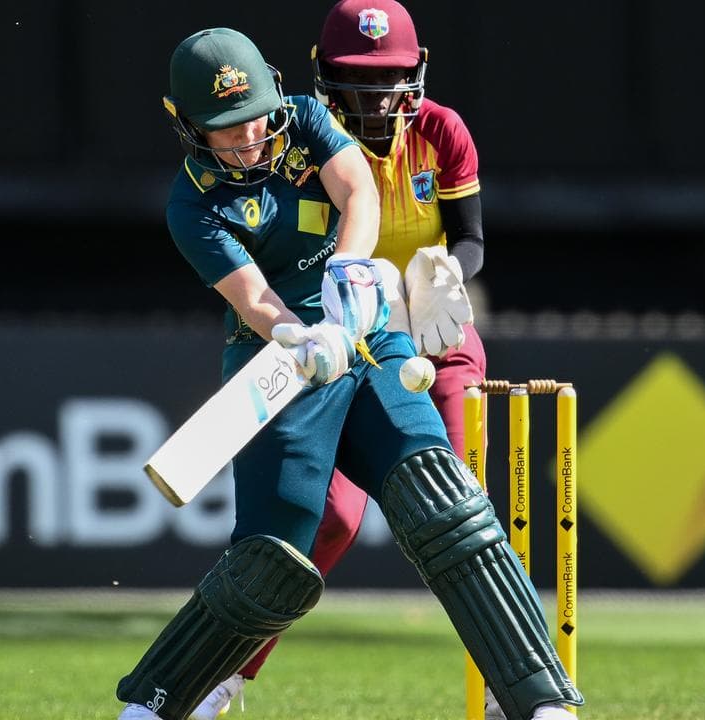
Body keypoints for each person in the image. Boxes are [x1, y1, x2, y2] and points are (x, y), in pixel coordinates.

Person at [115, 26, 582, 720]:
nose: (249, 139)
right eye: (227, 129)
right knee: (272, 551)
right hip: (281, 360)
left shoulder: (303, 117)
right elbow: (254, 300)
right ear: (187, 125)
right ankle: (156, 705)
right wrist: (301, 335)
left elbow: (359, 190)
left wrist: (349, 273)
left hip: (368, 330)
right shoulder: (192, 206)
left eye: (255, 119)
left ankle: (541, 700)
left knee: (444, 500)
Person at [194, 1, 499, 717]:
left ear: (416, 73)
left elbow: (472, 238)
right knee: (326, 518)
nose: (378, 98)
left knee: (458, 508)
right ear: (324, 76)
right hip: (343, 339)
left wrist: (449, 272)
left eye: (390, 79)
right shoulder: (304, 144)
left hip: (433, 332)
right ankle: (227, 671)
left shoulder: (441, 131)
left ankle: (509, 679)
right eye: (360, 81)